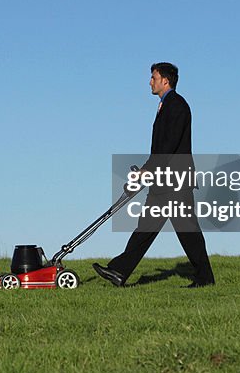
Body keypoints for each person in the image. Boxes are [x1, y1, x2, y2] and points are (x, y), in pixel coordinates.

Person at [93, 62, 216, 288]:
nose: (150, 81)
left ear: (165, 81)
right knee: (147, 227)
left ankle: (205, 277)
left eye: (153, 77)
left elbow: (167, 147)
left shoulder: (177, 106)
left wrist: (145, 172)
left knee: (187, 231)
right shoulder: (165, 106)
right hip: (165, 179)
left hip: (175, 180)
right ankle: (120, 271)